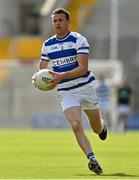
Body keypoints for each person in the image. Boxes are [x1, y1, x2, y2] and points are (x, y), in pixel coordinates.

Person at [32, 8, 107, 175]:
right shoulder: (47, 45)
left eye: (60, 20)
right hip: (66, 91)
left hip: (85, 87)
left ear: (68, 22)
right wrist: (37, 78)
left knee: (96, 128)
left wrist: (60, 76)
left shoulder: (78, 40)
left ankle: (102, 127)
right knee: (75, 124)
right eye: (54, 21)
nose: (57, 23)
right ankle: (92, 158)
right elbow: (42, 70)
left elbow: (83, 68)